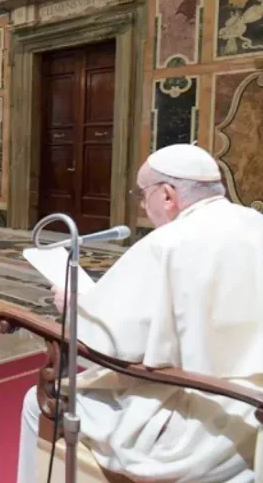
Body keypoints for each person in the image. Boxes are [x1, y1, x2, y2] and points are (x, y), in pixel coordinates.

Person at [17, 144, 263, 483]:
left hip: (200, 434)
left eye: (141, 194)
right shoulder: (256, 223)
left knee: (40, 400)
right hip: (255, 419)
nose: (143, 206)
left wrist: (73, 308)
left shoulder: (168, 243)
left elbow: (106, 346)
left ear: (167, 195)